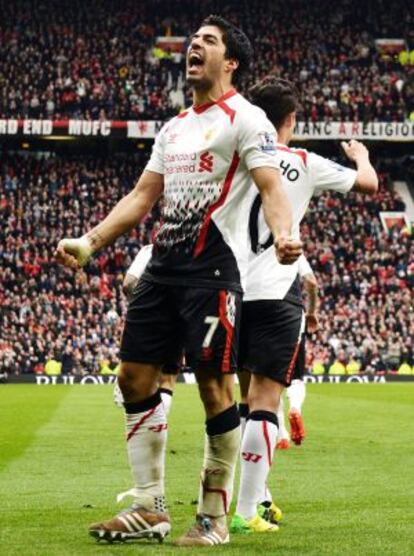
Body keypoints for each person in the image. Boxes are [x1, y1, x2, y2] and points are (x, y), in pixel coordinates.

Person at [56, 17, 302, 547]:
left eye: (207, 42)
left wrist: (285, 233)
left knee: (216, 389)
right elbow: (143, 198)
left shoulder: (248, 119)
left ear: (230, 61)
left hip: (212, 270)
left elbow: (270, 184)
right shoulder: (173, 128)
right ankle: (150, 507)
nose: (194, 46)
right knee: (133, 379)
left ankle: (212, 517)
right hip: (164, 268)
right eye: (193, 41)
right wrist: (90, 241)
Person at [230, 76, 378, 534]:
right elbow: (369, 185)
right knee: (266, 403)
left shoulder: (236, 160)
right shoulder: (303, 162)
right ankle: (246, 510)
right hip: (278, 292)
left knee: (243, 400)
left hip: (231, 292)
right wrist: (362, 157)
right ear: (290, 119)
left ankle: (261, 495)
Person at [276, 255, 319, 449]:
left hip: (258, 310)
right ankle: (295, 407)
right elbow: (311, 282)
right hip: (292, 312)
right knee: (296, 376)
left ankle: (281, 435)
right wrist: (311, 312)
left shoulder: (253, 243)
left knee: (266, 380)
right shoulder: (291, 248)